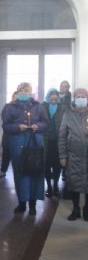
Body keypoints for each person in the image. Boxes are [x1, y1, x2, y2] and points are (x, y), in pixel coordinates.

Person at [2, 82, 49, 215]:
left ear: (31, 92)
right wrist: (17, 127)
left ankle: (33, 204)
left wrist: (38, 126)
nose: (24, 92)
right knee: (20, 173)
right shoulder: (10, 107)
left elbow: (46, 123)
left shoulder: (38, 106)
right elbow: (5, 125)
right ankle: (21, 203)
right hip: (18, 145)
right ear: (18, 92)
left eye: (27, 90)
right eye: (22, 90)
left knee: (34, 172)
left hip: (34, 144)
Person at [58, 87, 88, 221]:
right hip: (73, 155)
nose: (81, 99)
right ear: (75, 99)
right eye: (78, 97)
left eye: (83, 96)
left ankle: (87, 209)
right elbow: (62, 136)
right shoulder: (68, 114)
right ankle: (76, 209)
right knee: (74, 183)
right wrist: (62, 156)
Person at [42, 88, 64, 197]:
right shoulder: (43, 107)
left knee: (57, 165)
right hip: (45, 141)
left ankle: (55, 185)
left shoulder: (62, 108)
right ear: (48, 96)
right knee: (46, 165)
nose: (53, 97)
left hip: (58, 141)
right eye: (51, 95)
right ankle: (49, 187)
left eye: (55, 95)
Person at [0, 91, 17, 178]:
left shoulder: (22, 108)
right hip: (7, 136)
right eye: (14, 97)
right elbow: (4, 119)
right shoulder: (7, 107)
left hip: (17, 135)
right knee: (6, 154)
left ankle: (18, 172)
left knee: (17, 156)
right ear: (12, 97)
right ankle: (3, 170)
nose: (15, 99)